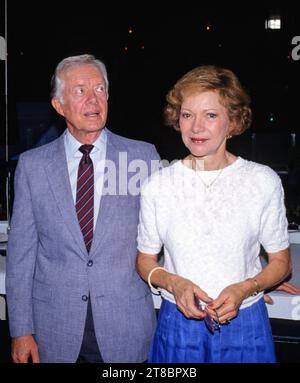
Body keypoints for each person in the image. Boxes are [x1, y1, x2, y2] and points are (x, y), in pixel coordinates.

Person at [6, 54, 160, 363]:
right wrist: (21, 331)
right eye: (80, 90)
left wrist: (238, 273)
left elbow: (174, 231)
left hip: (125, 327)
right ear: (58, 105)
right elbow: (21, 254)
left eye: (100, 89)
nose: (94, 99)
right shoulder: (33, 166)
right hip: (55, 330)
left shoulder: (142, 157)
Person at [136, 65, 293, 363]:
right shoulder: (157, 185)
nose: (196, 127)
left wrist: (246, 287)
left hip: (245, 323)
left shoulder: (262, 181)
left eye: (210, 115)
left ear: (232, 121)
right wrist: (174, 283)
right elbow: (144, 261)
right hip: (177, 325)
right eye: (187, 115)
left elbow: (281, 263)